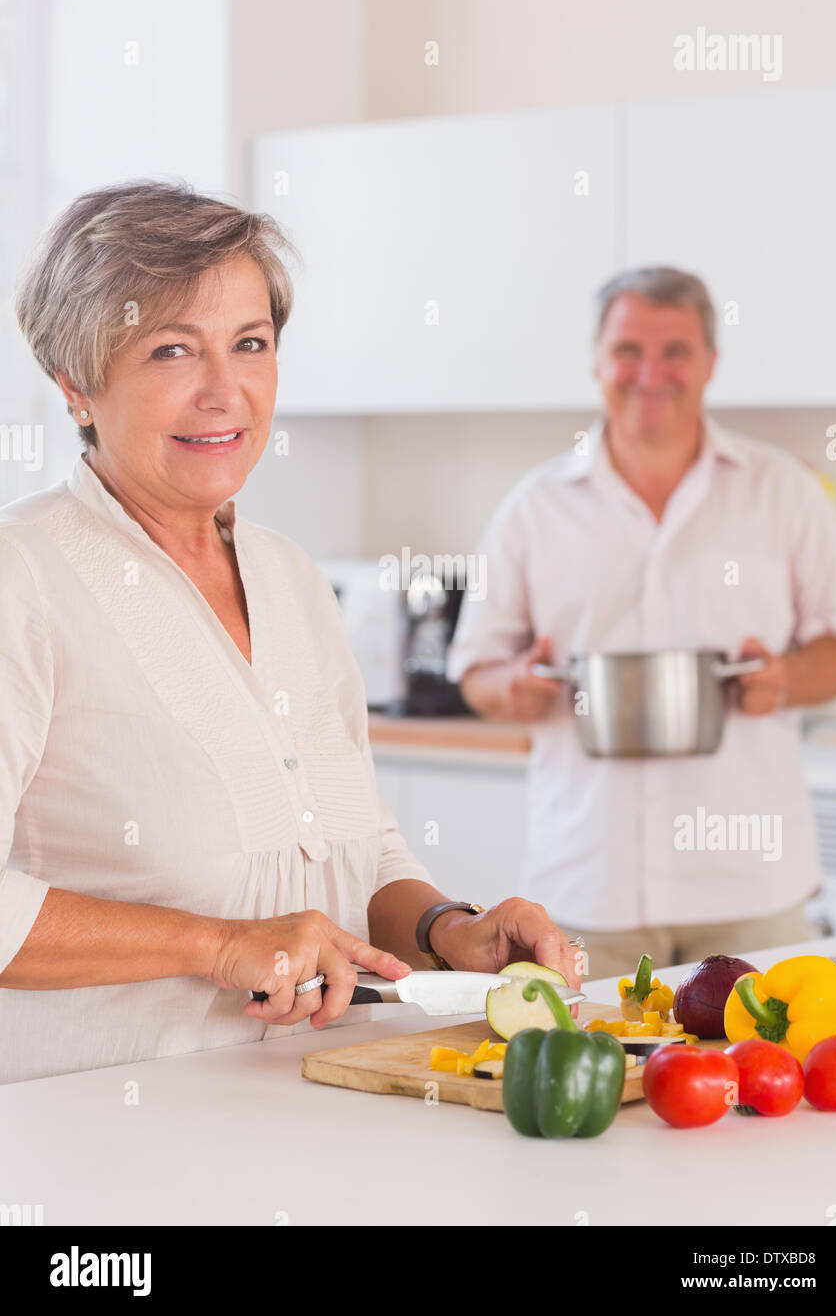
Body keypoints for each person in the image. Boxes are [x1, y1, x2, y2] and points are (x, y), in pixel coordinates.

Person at [0, 179, 580, 1084]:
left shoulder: (291, 579)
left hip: (320, 1108)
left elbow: (358, 845)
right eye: (170, 351)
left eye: (251, 345)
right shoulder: (22, 578)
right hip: (95, 1137)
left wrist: (448, 929)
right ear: (76, 384)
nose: (223, 392)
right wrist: (217, 945)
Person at [448, 267, 836, 979]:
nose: (651, 373)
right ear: (596, 361)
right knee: (594, 1084)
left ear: (710, 363)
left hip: (751, 888)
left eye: (675, 351)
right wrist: (512, 687)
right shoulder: (535, 506)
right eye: (628, 350)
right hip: (585, 886)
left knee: (769, 1082)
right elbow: (477, 670)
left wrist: (787, 678)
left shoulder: (782, 490)